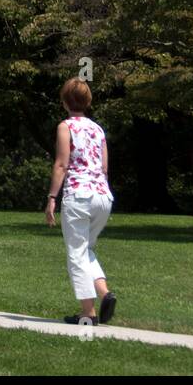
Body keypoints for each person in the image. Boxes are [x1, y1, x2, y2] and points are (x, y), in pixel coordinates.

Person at [45, 78, 118, 325]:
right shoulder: (98, 130)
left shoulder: (65, 127)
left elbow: (62, 164)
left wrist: (52, 198)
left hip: (79, 195)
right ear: (87, 102)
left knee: (76, 253)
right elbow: (105, 168)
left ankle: (88, 312)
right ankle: (105, 293)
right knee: (86, 249)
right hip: (103, 196)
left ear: (65, 102)